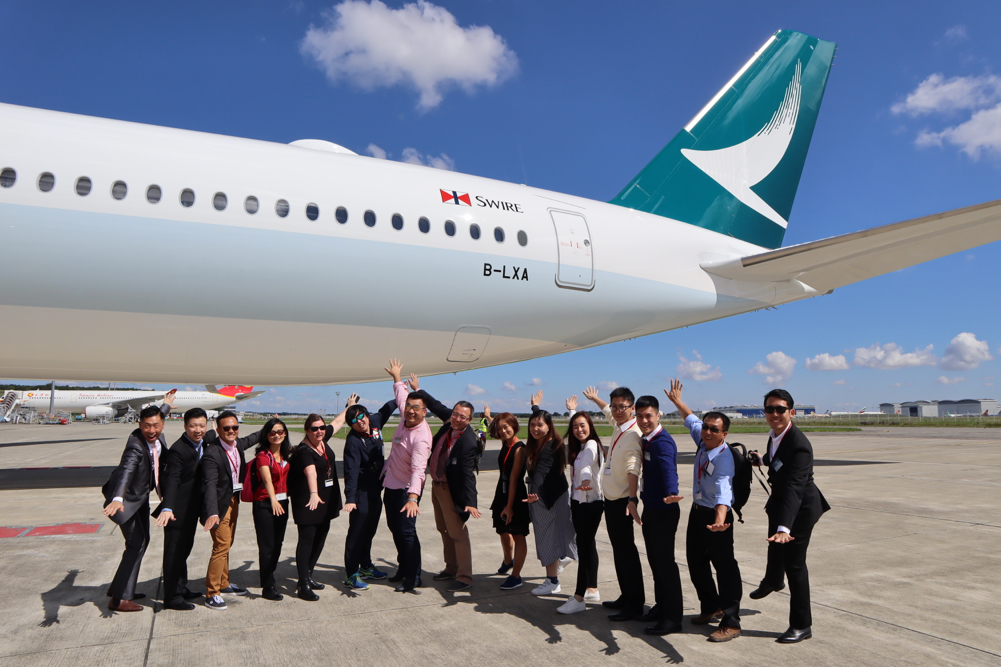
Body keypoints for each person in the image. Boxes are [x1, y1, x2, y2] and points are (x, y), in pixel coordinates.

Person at [747, 388, 830, 644]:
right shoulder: (776, 435)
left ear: (791, 412)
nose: (774, 413)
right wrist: (759, 460)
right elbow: (775, 459)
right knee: (774, 546)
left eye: (780, 409)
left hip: (801, 508)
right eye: (769, 409)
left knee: (794, 564)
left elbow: (795, 486)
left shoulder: (800, 445)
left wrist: (786, 528)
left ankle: (802, 625)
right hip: (781, 502)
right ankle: (773, 580)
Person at [665, 379, 742, 642]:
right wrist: (677, 403)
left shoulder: (724, 460)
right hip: (698, 511)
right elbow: (691, 420)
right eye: (706, 427)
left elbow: (724, 492)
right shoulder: (702, 438)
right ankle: (711, 606)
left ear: (724, 434)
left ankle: (732, 622)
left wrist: (720, 519)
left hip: (716, 516)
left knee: (725, 567)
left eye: (714, 429)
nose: (707, 432)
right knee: (696, 562)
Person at [102, 390, 175, 612]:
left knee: (141, 542)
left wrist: (166, 405)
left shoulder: (157, 435)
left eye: (155, 425)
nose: (151, 431)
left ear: (162, 424)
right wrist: (117, 498)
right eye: (146, 426)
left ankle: (119, 587)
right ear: (139, 425)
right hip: (125, 501)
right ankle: (119, 599)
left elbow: (156, 416)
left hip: (141, 498)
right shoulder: (135, 444)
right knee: (136, 543)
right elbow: (127, 469)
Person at [409, 376, 482, 592]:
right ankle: (451, 568)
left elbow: (468, 474)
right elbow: (435, 405)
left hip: (452, 490)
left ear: (469, 420)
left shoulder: (468, 442)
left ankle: (465, 577)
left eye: (463, 417)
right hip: (437, 485)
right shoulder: (450, 423)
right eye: (455, 414)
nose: (457, 419)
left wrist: (471, 502)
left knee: (458, 533)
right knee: (443, 529)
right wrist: (418, 389)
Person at [583, 385, 644, 621]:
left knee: (626, 551)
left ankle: (635, 603)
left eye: (623, 407)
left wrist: (631, 498)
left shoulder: (633, 433)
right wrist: (596, 398)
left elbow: (633, 466)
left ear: (633, 408)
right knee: (620, 551)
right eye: (615, 406)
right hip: (611, 499)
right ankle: (626, 595)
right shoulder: (620, 424)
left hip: (622, 502)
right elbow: (608, 411)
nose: (617, 411)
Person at [633, 394, 685, 635]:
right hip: (652, 508)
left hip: (664, 509)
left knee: (665, 565)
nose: (644, 420)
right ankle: (662, 606)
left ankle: (672, 617)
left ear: (658, 415)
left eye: (648, 416)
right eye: (640, 416)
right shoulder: (648, 440)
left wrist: (672, 491)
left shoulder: (662, 442)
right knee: (655, 561)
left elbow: (668, 469)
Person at [199, 410, 262, 610]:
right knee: (221, 546)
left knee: (227, 544)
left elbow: (254, 437)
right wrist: (212, 512)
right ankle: (212, 593)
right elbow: (209, 484)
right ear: (218, 430)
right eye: (226, 428)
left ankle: (224, 583)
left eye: (235, 427)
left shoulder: (238, 445)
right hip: (218, 506)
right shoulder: (212, 452)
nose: (231, 431)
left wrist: (272, 424)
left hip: (233, 500)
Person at [381, 359, 432, 593]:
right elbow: (402, 398)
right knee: (395, 528)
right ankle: (403, 568)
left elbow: (418, 471)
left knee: (407, 532)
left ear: (425, 412)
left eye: (416, 408)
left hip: (405, 491)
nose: (410, 411)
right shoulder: (405, 415)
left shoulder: (420, 438)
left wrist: (413, 498)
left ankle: (413, 576)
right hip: (391, 485)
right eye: (409, 407)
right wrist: (397, 378)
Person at [154, 407, 210, 610]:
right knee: (174, 553)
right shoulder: (179, 449)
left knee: (184, 551)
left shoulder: (202, 441)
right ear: (185, 426)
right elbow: (172, 480)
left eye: (201, 425)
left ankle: (181, 587)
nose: (198, 430)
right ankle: (171, 597)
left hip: (190, 510)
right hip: (176, 511)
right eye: (193, 426)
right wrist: (167, 508)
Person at [524, 391, 577, 597]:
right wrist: (535, 406)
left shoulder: (550, 447)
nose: (536, 428)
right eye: (532, 425)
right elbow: (539, 417)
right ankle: (562, 558)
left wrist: (533, 494)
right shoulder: (543, 441)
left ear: (549, 426)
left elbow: (540, 472)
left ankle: (552, 581)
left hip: (547, 497)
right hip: (553, 494)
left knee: (546, 538)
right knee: (557, 535)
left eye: (540, 425)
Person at [288, 411, 346, 600]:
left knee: (321, 537)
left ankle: (309, 575)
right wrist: (314, 493)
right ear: (307, 430)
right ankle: (303, 584)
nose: (320, 431)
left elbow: (337, 422)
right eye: (315, 429)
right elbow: (311, 473)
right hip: (309, 501)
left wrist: (350, 406)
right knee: (307, 539)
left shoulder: (322, 438)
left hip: (326, 501)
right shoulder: (304, 450)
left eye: (322, 427)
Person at [341, 394, 395, 591]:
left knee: (370, 530)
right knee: (357, 533)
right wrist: (350, 498)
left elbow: (388, 407)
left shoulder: (374, 422)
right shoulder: (353, 441)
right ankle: (351, 574)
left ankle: (365, 566)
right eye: (354, 420)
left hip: (375, 490)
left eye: (361, 416)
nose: (360, 421)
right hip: (361, 493)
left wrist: (402, 392)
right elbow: (351, 471)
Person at [556, 395, 603, 615]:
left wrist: (585, 479)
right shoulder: (582, 444)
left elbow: (587, 464)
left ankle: (579, 598)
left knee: (584, 550)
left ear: (590, 426)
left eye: (582, 425)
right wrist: (572, 412)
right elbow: (578, 434)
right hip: (580, 502)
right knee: (588, 545)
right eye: (574, 426)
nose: (578, 429)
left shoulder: (591, 445)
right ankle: (592, 588)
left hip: (588, 504)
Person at [250, 417, 293, 601]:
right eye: (273, 432)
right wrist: (273, 500)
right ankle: (267, 586)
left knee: (278, 543)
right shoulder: (262, 456)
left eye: (280, 431)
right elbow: (267, 480)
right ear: (266, 435)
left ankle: (269, 574)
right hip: (266, 504)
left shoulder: (285, 455)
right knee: (267, 546)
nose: (277, 435)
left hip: (282, 503)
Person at [488, 411, 530, 590]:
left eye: (507, 427)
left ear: (514, 425)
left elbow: (514, 479)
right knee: (502, 529)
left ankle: (516, 575)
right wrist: (490, 418)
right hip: (501, 491)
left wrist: (510, 506)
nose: (504, 431)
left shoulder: (519, 448)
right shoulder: (505, 442)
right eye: (500, 428)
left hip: (515, 493)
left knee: (518, 534)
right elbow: (492, 428)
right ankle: (508, 561)